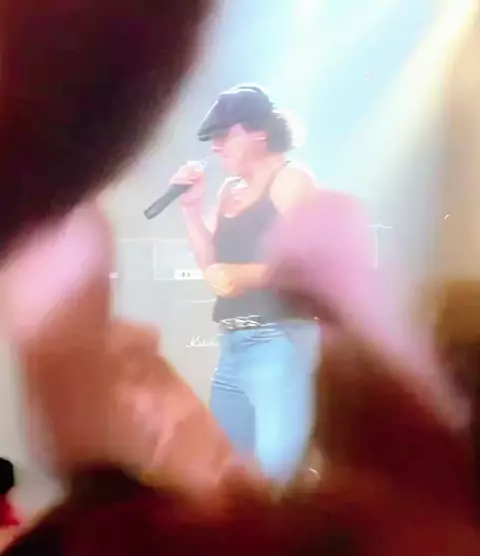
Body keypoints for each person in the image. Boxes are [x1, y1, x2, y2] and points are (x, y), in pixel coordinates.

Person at [171, 84, 321, 481]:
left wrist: (246, 274)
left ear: (260, 132)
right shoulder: (228, 191)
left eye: (224, 134)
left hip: (278, 339)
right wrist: (191, 211)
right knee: (228, 473)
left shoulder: (291, 180)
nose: (216, 146)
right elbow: (212, 267)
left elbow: (312, 264)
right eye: (212, 138)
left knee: (276, 476)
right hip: (233, 345)